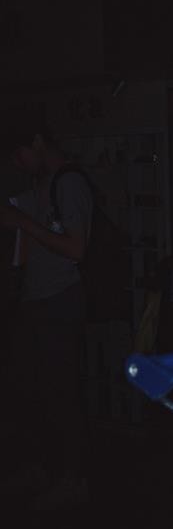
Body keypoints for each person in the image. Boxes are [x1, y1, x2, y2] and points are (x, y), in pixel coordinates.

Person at [0, 124, 92, 504]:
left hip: (60, 300)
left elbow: (75, 249)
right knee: (33, 390)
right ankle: (41, 469)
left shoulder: (69, 182)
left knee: (60, 392)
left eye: (19, 154)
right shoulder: (41, 184)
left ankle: (73, 478)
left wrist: (24, 223)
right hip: (36, 301)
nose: (18, 163)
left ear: (37, 142)